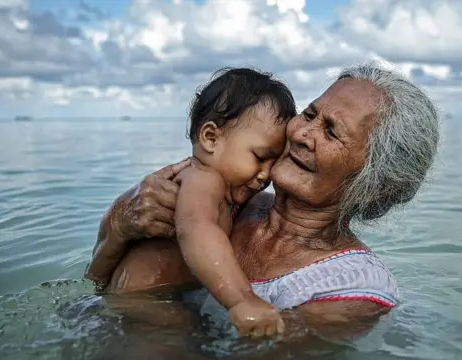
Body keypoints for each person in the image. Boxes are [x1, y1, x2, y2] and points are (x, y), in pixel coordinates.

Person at [85, 60, 440, 341]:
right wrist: (118, 225)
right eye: (310, 114)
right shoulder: (231, 198)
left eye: (331, 131)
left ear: (374, 183)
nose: (301, 134)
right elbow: (95, 285)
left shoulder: (353, 293)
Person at [135, 67, 296, 337]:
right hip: (143, 307)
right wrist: (241, 300)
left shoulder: (222, 190)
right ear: (211, 138)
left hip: (158, 302)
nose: (267, 174)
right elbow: (197, 228)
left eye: (274, 162)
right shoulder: (203, 179)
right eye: (259, 157)